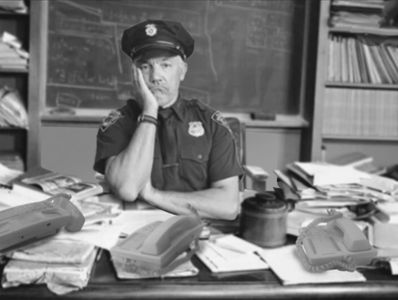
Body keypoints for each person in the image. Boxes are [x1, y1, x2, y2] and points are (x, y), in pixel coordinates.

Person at [94, 20, 243, 220]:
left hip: (198, 230)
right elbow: (128, 190)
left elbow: (227, 206)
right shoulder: (118, 123)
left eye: (166, 65)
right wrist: (150, 110)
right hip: (135, 230)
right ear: (134, 74)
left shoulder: (211, 122)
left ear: (182, 71)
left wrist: (153, 195)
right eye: (145, 67)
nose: (156, 77)